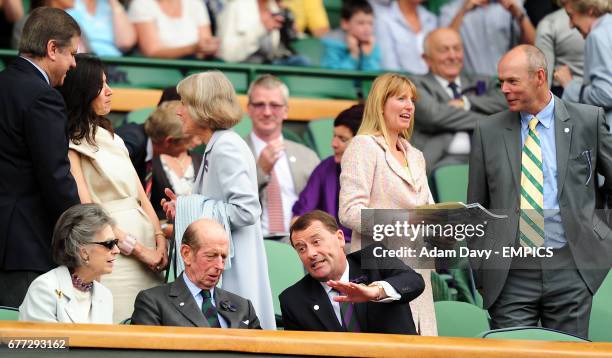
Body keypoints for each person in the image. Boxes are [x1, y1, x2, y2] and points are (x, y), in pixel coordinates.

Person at [467, 44, 612, 338]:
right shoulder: (488, 131)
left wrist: (602, 232)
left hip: (572, 268)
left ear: (540, 77)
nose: (504, 89)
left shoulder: (588, 120)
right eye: (501, 82)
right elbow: (476, 209)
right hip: (509, 272)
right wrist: (482, 270)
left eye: (512, 81)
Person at [162, 71, 276, 329]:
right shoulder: (219, 144)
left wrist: (190, 207)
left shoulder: (226, 146)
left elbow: (247, 211)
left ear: (202, 108)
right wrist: (184, 209)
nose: (179, 111)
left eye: (184, 103)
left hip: (233, 267)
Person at [60, 54, 167, 323]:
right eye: (101, 85)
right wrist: (141, 251)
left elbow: (141, 195)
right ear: (83, 91)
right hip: (114, 255)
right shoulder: (71, 144)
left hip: (150, 252)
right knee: (120, 325)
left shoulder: (113, 137)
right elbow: (88, 209)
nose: (110, 92)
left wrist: (159, 239)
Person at [339, 73, 437, 336]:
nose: (409, 106)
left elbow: (429, 210)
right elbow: (349, 211)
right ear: (380, 104)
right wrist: (405, 221)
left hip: (420, 275)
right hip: (381, 275)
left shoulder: (416, 156)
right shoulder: (363, 146)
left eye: (412, 100)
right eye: (401, 98)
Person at [0, 7, 81, 308]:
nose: (73, 63)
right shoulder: (44, 97)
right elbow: (55, 176)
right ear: (51, 49)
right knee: (28, 344)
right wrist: (82, 228)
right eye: (71, 54)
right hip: (24, 245)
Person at [280, 210, 425, 334]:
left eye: (316, 242)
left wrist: (376, 291)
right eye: (301, 248)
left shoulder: (373, 258)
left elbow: (414, 281)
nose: (310, 253)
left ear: (340, 238)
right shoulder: (293, 300)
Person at [132, 218, 261, 328]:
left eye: (223, 257)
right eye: (211, 255)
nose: (220, 265)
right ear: (186, 254)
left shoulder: (243, 307)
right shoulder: (153, 302)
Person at [411, 27, 507, 172]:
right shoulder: (415, 84)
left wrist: (466, 103)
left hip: (487, 160)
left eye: (457, 48)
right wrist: (492, 120)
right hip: (437, 163)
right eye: (444, 50)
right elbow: (434, 115)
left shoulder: (483, 81)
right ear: (426, 59)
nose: (452, 55)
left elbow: (506, 101)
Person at [244, 74, 320, 236]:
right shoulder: (235, 152)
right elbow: (228, 204)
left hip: (300, 244)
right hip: (253, 241)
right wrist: (261, 172)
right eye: (259, 105)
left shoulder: (307, 156)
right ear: (248, 109)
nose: (267, 112)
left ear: (286, 111)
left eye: (275, 105)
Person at [19, 204, 118, 323]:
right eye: (109, 244)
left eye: (116, 242)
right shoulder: (44, 289)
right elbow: (45, 341)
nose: (117, 250)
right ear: (84, 252)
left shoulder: (104, 295)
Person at [292, 104, 363, 245]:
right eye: (334, 136)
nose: (333, 144)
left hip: (371, 253)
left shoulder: (386, 174)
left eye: (342, 139)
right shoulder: (325, 168)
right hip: (331, 250)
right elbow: (297, 220)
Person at [554, 0, 612, 126]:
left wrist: (569, 85)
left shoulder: (597, 36)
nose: (570, 25)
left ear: (590, 10)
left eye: (571, 15)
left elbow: (607, 94)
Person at [440, 0, 536, 76]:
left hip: (509, 82)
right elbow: (442, 46)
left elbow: (533, 46)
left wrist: (519, 14)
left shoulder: (512, 4)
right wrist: (463, 11)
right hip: (474, 87)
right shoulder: (451, 10)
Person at [143, 101, 202, 219]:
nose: (198, 141)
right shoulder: (145, 162)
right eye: (190, 138)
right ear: (169, 141)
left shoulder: (202, 160)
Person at [216, 0, 309, 65]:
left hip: (269, 65)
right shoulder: (236, 6)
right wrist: (262, 28)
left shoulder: (275, 8)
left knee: (301, 61)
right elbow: (227, 54)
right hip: (243, 66)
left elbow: (274, 49)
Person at [128, 0, 219, 59]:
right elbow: (152, 52)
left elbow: (205, 45)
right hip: (159, 70)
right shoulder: (141, 4)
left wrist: (209, 47)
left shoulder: (195, 3)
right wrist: (192, 49)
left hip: (194, 68)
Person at [373, 0, 437, 75]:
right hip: (401, 83)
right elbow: (389, 66)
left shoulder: (431, 19)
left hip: (432, 83)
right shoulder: (382, 19)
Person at [534, 0, 584, 95]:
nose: (571, 25)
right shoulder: (603, 18)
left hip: (565, 94)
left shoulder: (549, 23)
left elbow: (543, 75)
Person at [321, 0, 380, 71]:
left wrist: (367, 57)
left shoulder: (372, 45)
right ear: (345, 23)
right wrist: (353, 55)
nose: (367, 28)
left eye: (370, 23)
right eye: (361, 23)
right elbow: (334, 78)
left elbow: (374, 78)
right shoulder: (333, 44)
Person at [66, 0, 136, 56]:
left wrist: (114, 3)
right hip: (85, 63)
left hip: (115, 64)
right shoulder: (69, 5)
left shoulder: (110, 6)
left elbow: (126, 43)